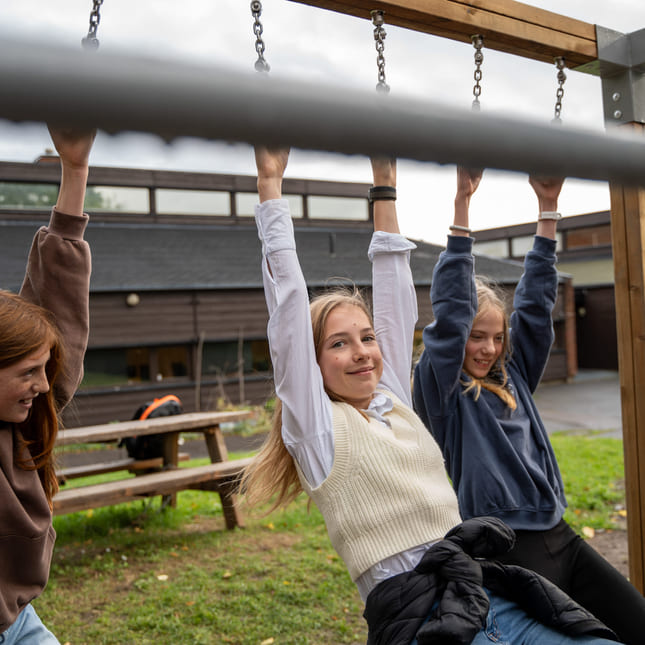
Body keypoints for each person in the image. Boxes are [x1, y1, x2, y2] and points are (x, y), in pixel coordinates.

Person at [241, 147, 619, 644]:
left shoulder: (392, 400)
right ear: (311, 364)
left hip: (486, 593)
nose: (362, 353)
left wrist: (384, 181)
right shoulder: (318, 431)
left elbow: (395, 285)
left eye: (367, 337)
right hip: (425, 619)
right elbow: (288, 307)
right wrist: (270, 184)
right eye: (338, 343)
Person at [412, 166, 645, 645]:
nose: (488, 348)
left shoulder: (514, 377)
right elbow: (451, 313)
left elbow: (537, 306)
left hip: (562, 534)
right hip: (511, 550)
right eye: (477, 337)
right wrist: (462, 207)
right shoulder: (443, 394)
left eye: (497, 337)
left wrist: (547, 212)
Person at [0, 125, 95, 644]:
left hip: (18, 622)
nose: (44, 384)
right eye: (27, 372)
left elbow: (55, 305)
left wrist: (75, 171)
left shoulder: (25, 422)